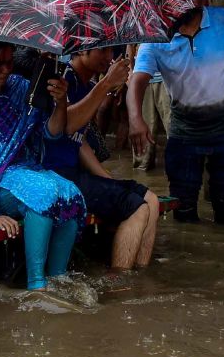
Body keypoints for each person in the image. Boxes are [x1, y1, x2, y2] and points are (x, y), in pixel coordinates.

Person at [0, 38, 84, 290]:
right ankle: (37, 285)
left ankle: (59, 279)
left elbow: (52, 133)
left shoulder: (20, 88)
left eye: (9, 62)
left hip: (26, 170)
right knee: (42, 194)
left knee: (69, 192)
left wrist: (61, 101)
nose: (6, 70)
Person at [129, 0, 224, 224]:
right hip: (185, 132)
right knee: (182, 208)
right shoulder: (155, 35)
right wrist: (135, 118)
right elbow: (137, 81)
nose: (180, 2)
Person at [42, 48, 160, 271]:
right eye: (102, 51)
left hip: (76, 173)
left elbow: (80, 142)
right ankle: (121, 283)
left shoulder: (85, 84)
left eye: (111, 52)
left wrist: (106, 178)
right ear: (82, 49)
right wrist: (105, 84)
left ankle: (141, 275)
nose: (108, 57)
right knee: (137, 208)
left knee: (151, 200)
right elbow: (66, 126)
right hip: (55, 176)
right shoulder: (63, 79)